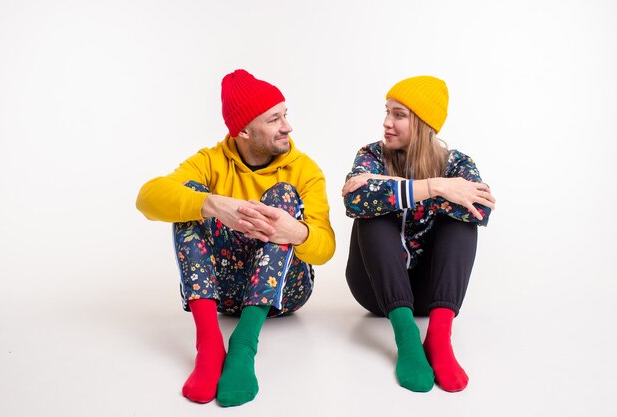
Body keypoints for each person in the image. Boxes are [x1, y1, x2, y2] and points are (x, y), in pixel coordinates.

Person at [136, 69, 335, 406]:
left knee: (283, 196)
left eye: (285, 115)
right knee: (190, 200)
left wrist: (296, 232)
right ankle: (210, 345)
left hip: (284, 293)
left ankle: (244, 345)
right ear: (243, 130)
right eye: (274, 119)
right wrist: (211, 204)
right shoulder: (210, 161)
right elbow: (147, 198)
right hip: (224, 293)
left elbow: (325, 248)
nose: (287, 126)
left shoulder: (304, 170)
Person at [342, 75, 495, 393]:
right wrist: (438, 187)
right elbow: (354, 200)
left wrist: (387, 187)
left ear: (425, 124)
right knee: (372, 215)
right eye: (387, 112)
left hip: (431, 293)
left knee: (462, 220)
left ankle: (439, 338)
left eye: (399, 115)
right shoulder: (371, 155)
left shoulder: (456, 164)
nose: (387, 123)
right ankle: (407, 338)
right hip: (374, 291)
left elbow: (481, 209)